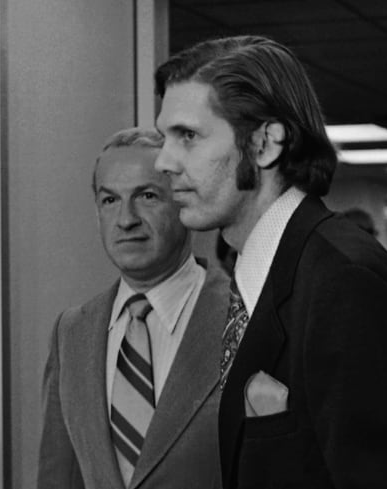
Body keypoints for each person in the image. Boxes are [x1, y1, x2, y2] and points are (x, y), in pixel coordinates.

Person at [154, 35, 387, 489]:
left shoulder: (346, 282)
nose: (164, 161)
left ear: (265, 144)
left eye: (188, 137)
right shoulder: (267, 275)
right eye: (165, 138)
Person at [37, 128, 230, 489]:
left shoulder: (244, 316)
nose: (126, 219)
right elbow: (58, 477)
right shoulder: (71, 333)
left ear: (184, 201)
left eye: (147, 196)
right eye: (110, 200)